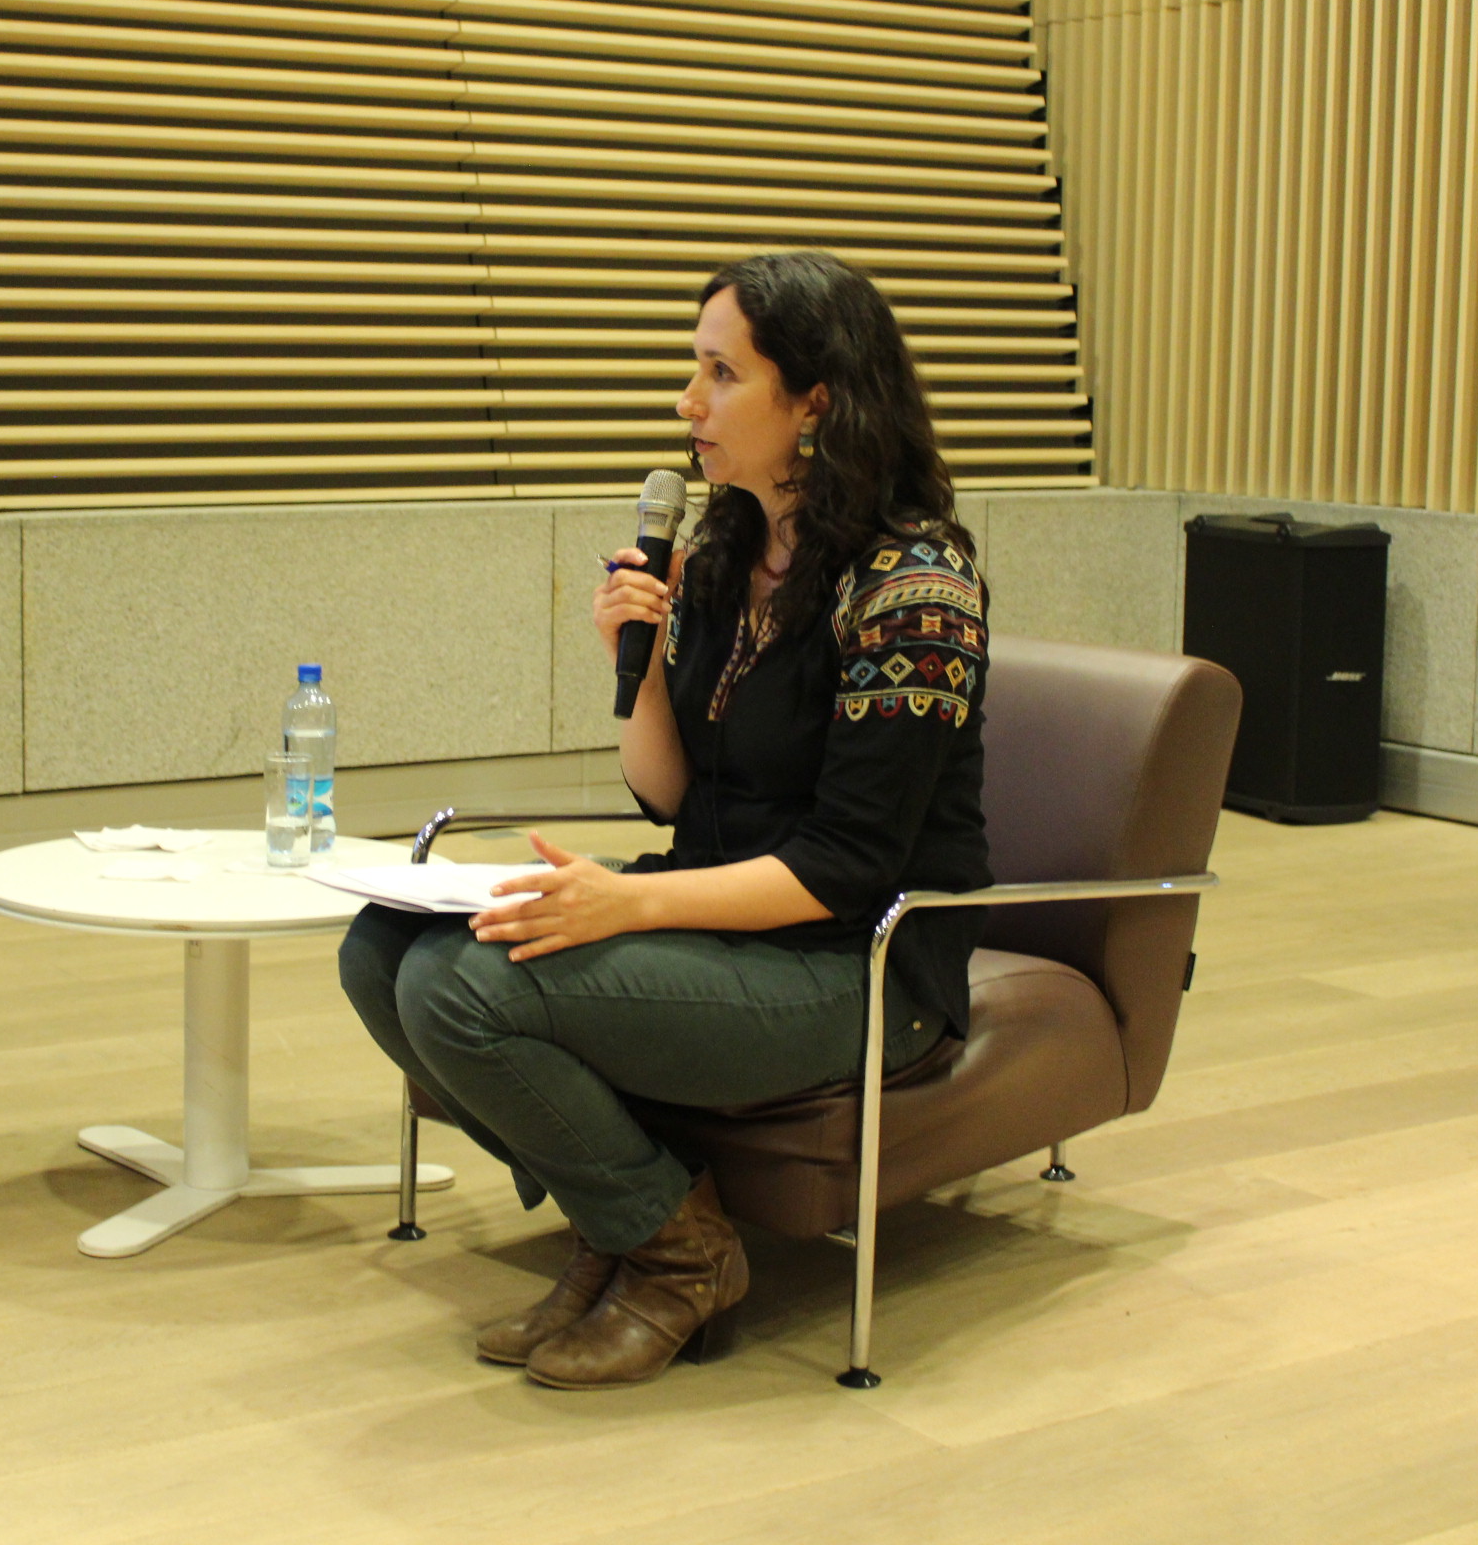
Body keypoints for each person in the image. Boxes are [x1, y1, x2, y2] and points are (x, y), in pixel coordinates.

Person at [338, 249, 990, 1390]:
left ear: (816, 403)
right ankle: (632, 1218)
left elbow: (847, 867)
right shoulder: (728, 550)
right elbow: (678, 799)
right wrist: (633, 665)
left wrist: (627, 904)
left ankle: (675, 1256)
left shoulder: (914, 587)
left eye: (721, 375)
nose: (688, 403)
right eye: (695, 369)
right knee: (381, 950)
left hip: (862, 962)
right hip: (729, 919)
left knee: (460, 988)